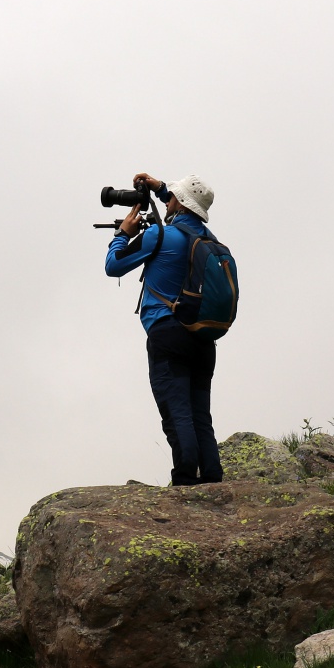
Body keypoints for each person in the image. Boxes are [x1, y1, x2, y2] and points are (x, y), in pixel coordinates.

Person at [104, 172, 225, 486]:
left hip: (167, 334)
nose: (167, 199)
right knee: (200, 415)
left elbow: (113, 265)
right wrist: (160, 188)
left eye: (172, 196)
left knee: (177, 411)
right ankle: (212, 478)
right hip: (202, 337)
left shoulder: (161, 235)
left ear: (180, 203)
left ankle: (184, 479)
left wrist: (122, 233)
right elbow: (178, 205)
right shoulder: (208, 241)